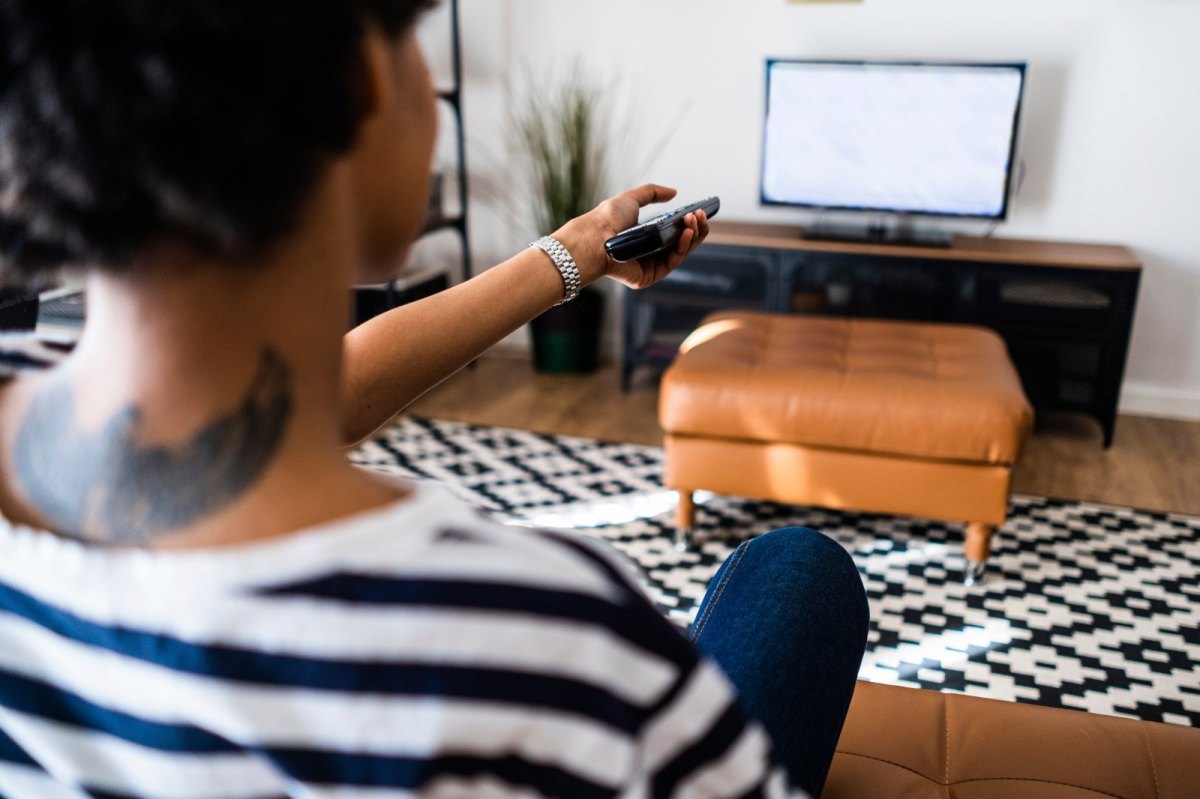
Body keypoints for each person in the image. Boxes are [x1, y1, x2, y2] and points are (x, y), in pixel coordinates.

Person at [0, 1, 868, 797]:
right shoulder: (547, 638)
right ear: (365, 84)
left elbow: (324, 388)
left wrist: (570, 254)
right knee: (800, 572)